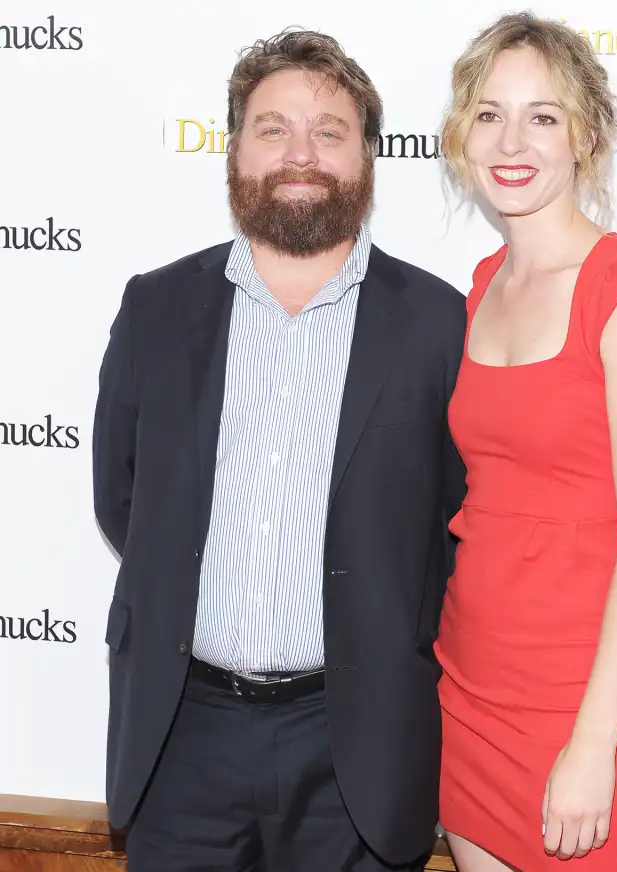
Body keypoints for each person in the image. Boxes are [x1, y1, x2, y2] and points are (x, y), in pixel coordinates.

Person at [92, 28, 466, 872]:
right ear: (234, 150)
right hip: (181, 738)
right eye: (273, 129)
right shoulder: (155, 309)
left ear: (368, 157)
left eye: (330, 131)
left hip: (359, 744)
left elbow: (450, 526)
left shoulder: (438, 324)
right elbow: (124, 497)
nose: (301, 154)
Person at [434, 12, 617, 872]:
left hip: (587, 716)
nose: (512, 141)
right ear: (461, 132)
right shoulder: (481, 288)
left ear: (585, 135)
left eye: (543, 117)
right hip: (470, 698)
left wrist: (591, 748)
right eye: (489, 113)